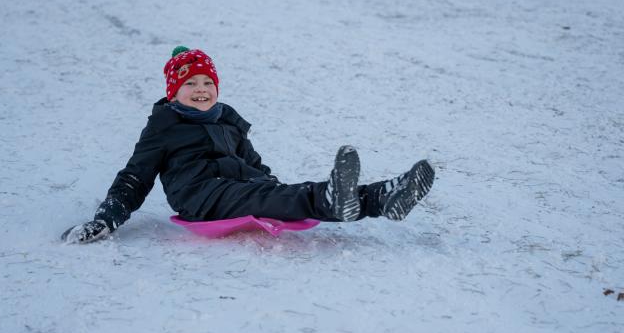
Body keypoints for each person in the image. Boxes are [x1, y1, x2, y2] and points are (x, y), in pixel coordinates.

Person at [61, 46, 435, 244]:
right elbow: (134, 177)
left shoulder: (228, 119)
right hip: (200, 196)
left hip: (237, 186)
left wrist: (270, 184)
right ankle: (336, 197)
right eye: (190, 85)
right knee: (271, 197)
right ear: (174, 92)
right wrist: (107, 218)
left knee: (283, 194)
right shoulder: (163, 126)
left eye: (207, 83)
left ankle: (383, 198)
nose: (201, 90)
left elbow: (253, 161)